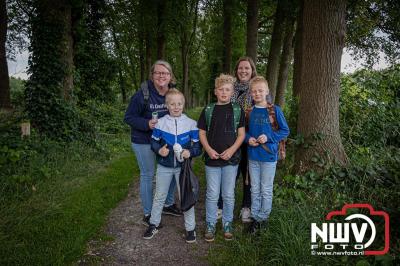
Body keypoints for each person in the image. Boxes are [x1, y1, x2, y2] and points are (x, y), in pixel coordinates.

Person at [124, 60, 182, 227]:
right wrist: (146, 124)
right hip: (144, 140)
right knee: (148, 175)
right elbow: (129, 117)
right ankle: (148, 213)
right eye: (158, 73)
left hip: (166, 139)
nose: (161, 76)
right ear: (152, 75)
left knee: (172, 169)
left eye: (165, 73)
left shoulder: (172, 93)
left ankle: (168, 204)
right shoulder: (142, 94)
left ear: (170, 76)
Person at [143, 89, 202, 243]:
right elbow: (154, 142)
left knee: (185, 197)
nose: (176, 107)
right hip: (164, 167)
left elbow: (197, 148)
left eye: (179, 103)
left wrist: (190, 152)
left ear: (183, 104)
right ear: (167, 105)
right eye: (172, 104)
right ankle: (153, 224)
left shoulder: (191, 124)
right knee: (159, 196)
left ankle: (190, 228)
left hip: (183, 169)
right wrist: (159, 150)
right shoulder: (161, 123)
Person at [198, 74, 245, 242]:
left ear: (232, 92)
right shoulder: (208, 110)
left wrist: (232, 150)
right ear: (215, 92)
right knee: (211, 193)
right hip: (212, 159)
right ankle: (211, 223)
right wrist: (208, 149)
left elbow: (241, 134)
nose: (224, 92)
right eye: (221, 90)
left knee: (228, 194)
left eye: (227, 90)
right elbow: (202, 133)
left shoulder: (237, 110)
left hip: (230, 161)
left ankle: (227, 222)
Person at [245, 76, 289, 234]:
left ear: (267, 91)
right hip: (253, 156)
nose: (257, 93)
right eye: (254, 91)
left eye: (260, 91)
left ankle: (263, 218)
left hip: (269, 157)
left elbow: (285, 131)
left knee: (266, 189)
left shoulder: (274, 110)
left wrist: (268, 137)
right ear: (251, 93)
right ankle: (255, 218)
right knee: (254, 189)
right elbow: (243, 132)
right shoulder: (249, 111)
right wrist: (248, 138)